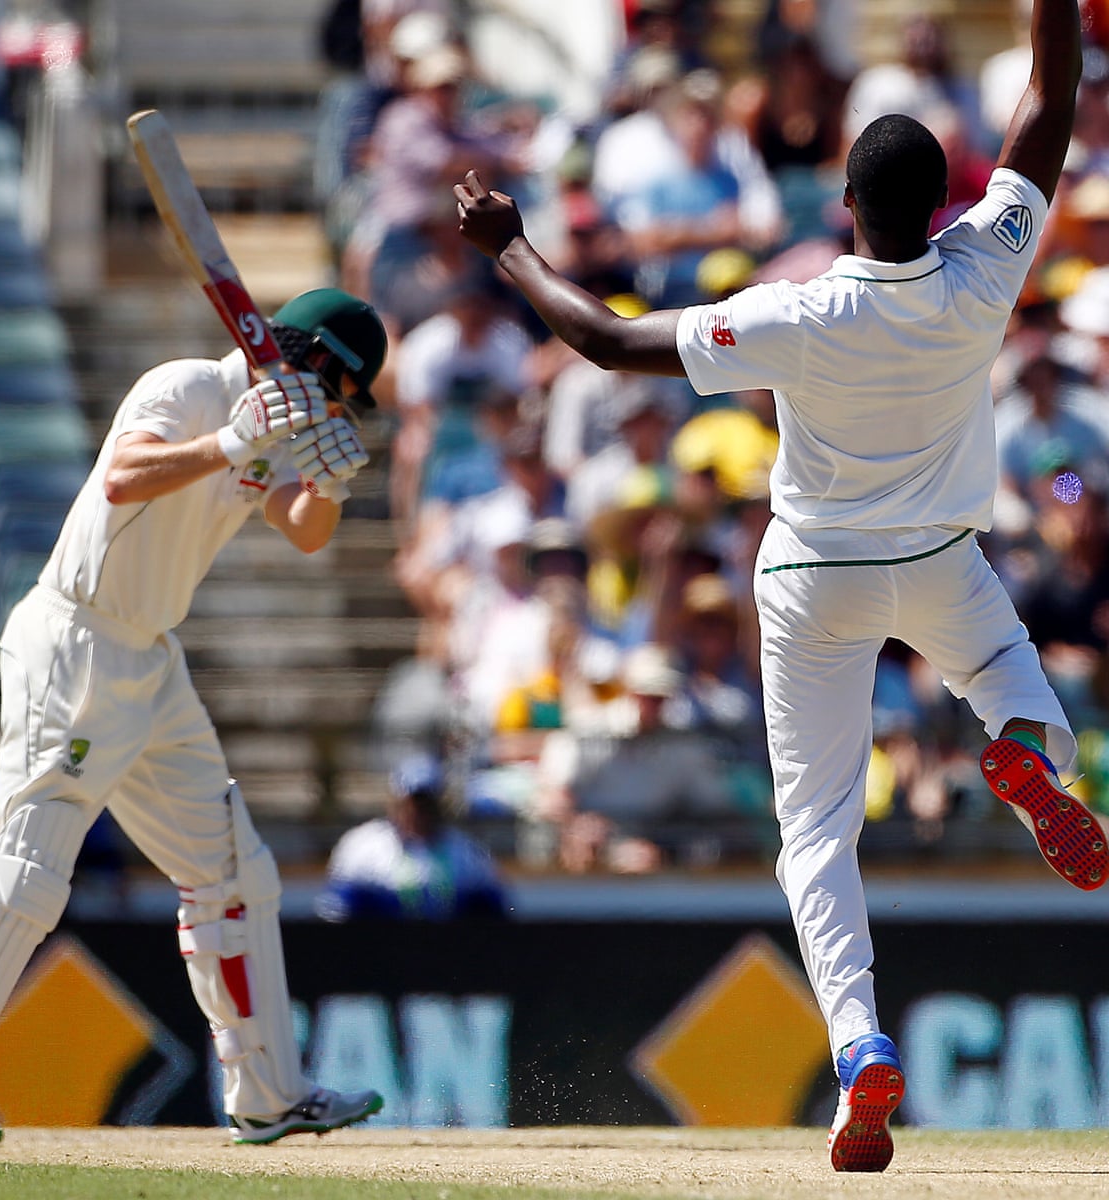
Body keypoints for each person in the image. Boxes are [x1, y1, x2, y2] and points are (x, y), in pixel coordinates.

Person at [453, 0, 1095, 1172]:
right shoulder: (988, 265)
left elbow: (602, 338)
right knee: (1011, 678)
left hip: (811, 573)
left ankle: (857, 1048)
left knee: (817, 833)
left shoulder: (794, 313)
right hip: (940, 559)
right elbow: (1049, 102)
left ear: (844, 209)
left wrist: (508, 244)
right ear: (945, 198)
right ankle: (1025, 759)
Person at [0, 288, 389, 1147]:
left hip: (151, 660)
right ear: (318, 361)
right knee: (23, 872)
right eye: (343, 395)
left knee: (235, 873)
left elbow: (304, 530)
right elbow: (124, 475)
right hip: (75, 642)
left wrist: (329, 482)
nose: (336, 410)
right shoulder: (184, 387)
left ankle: (267, 1096)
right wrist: (232, 440)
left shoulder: (271, 422)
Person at [316, 752, 509, 921]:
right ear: (394, 802)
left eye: (425, 805)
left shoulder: (467, 854)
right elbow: (335, 913)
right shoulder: (362, 848)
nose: (417, 813)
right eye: (410, 804)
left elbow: (497, 913)